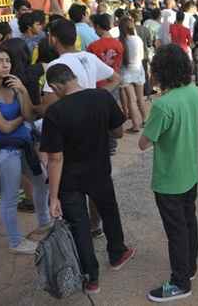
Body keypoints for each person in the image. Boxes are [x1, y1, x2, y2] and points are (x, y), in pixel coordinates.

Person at [42, 64, 135, 294]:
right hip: (99, 170)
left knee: (79, 226)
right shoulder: (102, 96)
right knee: (108, 211)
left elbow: (55, 158)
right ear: (74, 77)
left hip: (69, 180)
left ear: (55, 86)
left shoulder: (55, 112)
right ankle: (117, 253)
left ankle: (90, 278)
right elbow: (118, 132)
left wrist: (53, 197)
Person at [138, 44, 198, 302]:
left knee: (175, 231)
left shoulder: (163, 105)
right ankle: (190, 267)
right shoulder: (194, 91)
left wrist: (149, 107)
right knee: (189, 222)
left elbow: (144, 142)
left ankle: (180, 282)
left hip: (169, 180)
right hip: (190, 172)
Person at [0, 44, 50, 254]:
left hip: (25, 144)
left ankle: (45, 223)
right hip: (5, 151)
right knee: (9, 197)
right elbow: (5, 127)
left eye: (7, 60)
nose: (5, 65)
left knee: (42, 183)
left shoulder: (14, 85)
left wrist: (23, 91)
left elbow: (30, 115)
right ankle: (15, 242)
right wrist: (23, 118)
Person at [118, 16, 147, 133]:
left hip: (126, 72)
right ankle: (145, 120)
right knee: (140, 98)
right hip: (138, 70)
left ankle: (135, 125)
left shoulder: (120, 41)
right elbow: (142, 56)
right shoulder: (138, 39)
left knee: (131, 100)